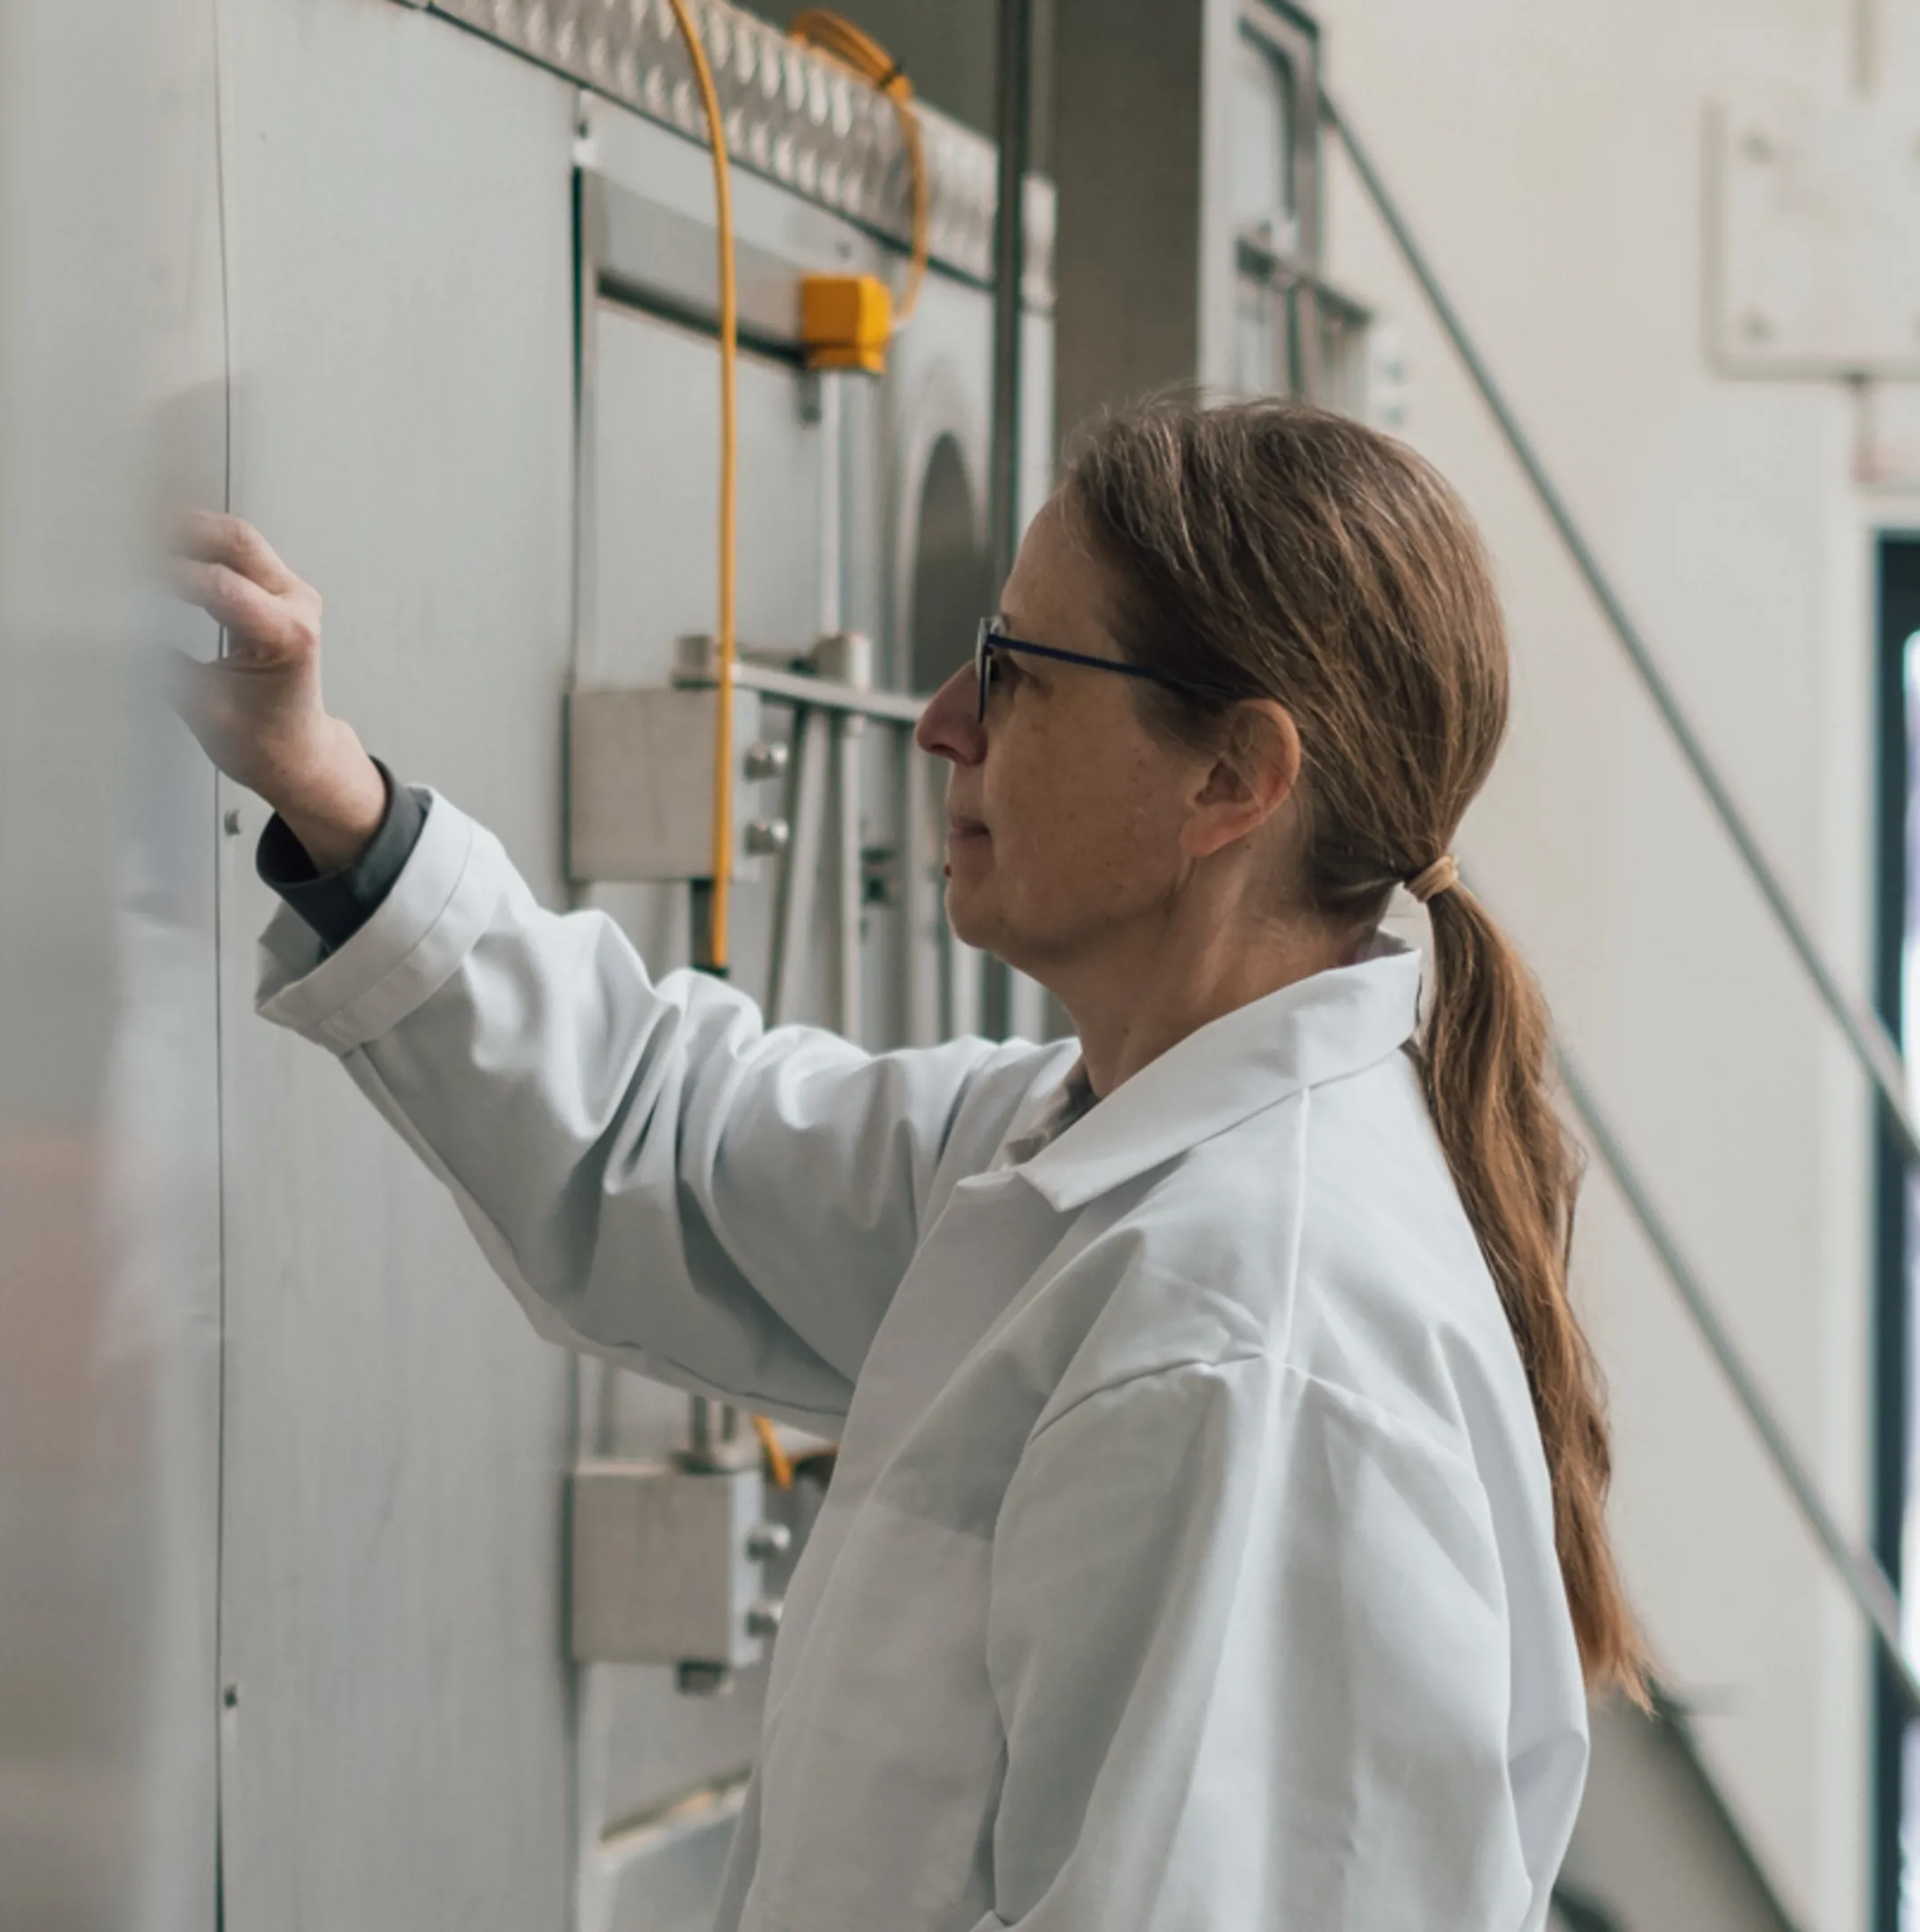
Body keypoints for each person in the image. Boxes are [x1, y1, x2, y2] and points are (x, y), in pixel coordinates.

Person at [169, 394, 1627, 1932]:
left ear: (1231, 782)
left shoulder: (1242, 1334)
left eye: (1017, 672)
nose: (941, 720)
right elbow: (674, 1141)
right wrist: (329, 789)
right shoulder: (1089, 1158)